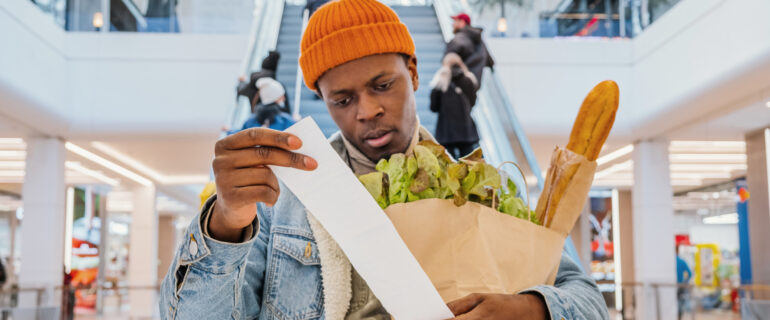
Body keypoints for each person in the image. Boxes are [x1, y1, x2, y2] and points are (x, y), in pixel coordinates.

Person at [160, 0, 609, 319]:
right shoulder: (280, 198)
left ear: (412, 73)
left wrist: (533, 308)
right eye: (342, 99)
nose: (367, 111)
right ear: (322, 101)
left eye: (382, 85)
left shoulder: (478, 182)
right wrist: (225, 222)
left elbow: (586, 298)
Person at [429, 52, 479, 159]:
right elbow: (473, 103)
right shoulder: (469, 80)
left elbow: (433, 107)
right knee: (468, 164)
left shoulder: (440, 81)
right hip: (466, 130)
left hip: (446, 131)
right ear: (460, 63)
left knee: (447, 164)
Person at [445, 13, 495, 93]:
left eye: (455, 21)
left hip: (458, 86)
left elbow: (447, 60)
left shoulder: (458, 39)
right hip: (474, 86)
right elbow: (490, 61)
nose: (453, 24)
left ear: (462, 22)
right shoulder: (479, 41)